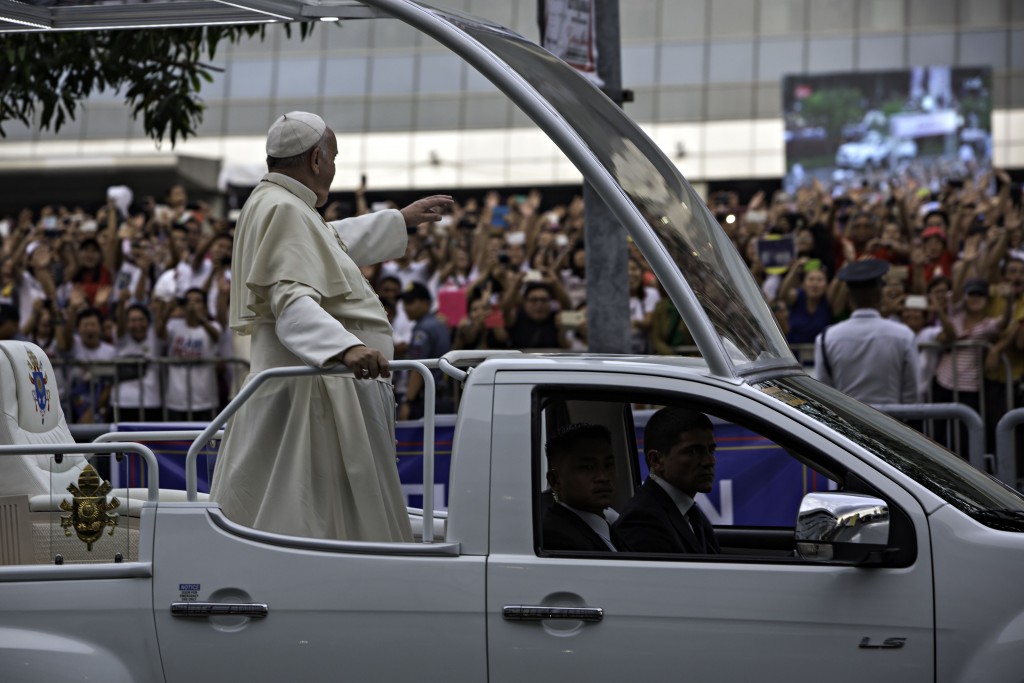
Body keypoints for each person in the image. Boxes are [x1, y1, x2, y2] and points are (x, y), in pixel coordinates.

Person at [209, 111, 452, 542]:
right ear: (318, 159)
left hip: (313, 392)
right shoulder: (283, 208)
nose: (335, 167)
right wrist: (345, 349)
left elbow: (325, 243)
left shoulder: (279, 203)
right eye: (334, 156)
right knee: (310, 512)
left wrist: (400, 220)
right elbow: (291, 302)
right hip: (313, 396)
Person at [614, 407, 720, 554]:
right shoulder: (642, 521)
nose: (709, 461)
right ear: (656, 460)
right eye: (692, 452)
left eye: (711, 450)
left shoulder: (687, 512)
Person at [814, 259, 919, 405]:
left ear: (849, 297)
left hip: (845, 423)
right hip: (892, 422)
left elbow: (824, 391)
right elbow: (912, 394)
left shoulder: (827, 338)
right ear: (880, 295)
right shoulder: (903, 335)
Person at [542, 423, 629, 552]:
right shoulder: (557, 539)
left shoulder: (605, 524)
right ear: (555, 480)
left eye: (608, 465)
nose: (603, 477)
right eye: (588, 467)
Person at [397, 282, 451, 420]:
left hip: (425, 400)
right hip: (442, 397)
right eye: (404, 303)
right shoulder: (439, 325)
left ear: (425, 303)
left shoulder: (423, 330)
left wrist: (407, 401)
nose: (406, 307)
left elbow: (418, 368)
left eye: (410, 302)